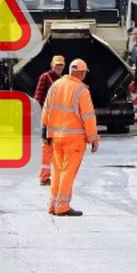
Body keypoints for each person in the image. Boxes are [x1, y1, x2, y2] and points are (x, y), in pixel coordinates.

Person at [41, 59, 99, 216]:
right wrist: (93, 138)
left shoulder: (56, 85)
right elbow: (88, 117)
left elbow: (46, 109)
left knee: (58, 170)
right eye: (85, 73)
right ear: (81, 73)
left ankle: (52, 204)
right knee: (68, 171)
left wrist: (45, 132)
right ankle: (62, 205)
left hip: (56, 137)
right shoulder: (81, 90)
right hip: (74, 139)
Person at [33, 55, 65, 185]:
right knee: (47, 148)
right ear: (52, 65)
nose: (59, 67)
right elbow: (38, 98)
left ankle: (56, 176)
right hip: (48, 119)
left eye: (61, 65)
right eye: (57, 65)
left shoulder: (63, 80)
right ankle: (44, 177)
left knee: (58, 148)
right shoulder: (45, 78)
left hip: (60, 119)